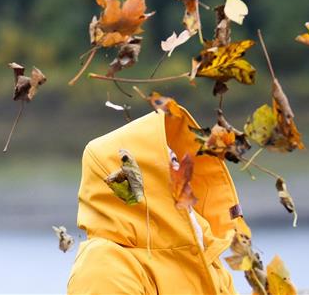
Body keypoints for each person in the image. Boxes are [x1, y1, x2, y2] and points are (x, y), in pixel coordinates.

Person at [67, 105, 251, 294]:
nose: (184, 171)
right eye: (171, 161)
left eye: (178, 160)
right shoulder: (104, 264)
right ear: (142, 175)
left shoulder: (206, 255)